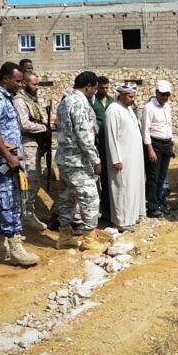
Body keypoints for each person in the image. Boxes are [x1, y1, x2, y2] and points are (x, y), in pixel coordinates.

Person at [0, 62, 40, 267]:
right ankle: (15, 247)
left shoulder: (6, 98)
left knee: (5, 200)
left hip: (9, 159)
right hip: (2, 162)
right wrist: (7, 156)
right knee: (8, 200)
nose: (20, 84)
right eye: (17, 80)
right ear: (5, 79)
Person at [55, 71, 104, 251]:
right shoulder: (79, 103)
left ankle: (64, 236)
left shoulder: (65, 101)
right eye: (95, 89)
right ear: (89, 86)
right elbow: (84, 136)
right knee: (90, 197)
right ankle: (89, 239)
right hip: (78, 160)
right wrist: (95, 159)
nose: (95, 92)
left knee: (67, 198)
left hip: (64, 159)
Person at [104, 82, 145, 230]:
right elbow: (111, 136)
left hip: (134, 158)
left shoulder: (128, 109)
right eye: (130, 96)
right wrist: (116, 159)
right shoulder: (113, 110)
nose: (133, 99)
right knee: (122, 188)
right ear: (121, 95)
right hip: (122, 159)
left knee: (133, 186)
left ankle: (133, 216)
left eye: (134, 96)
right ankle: (120, 221)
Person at [12, 71, 49, 232]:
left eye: (38, 84)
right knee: (30, 181)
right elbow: (24, 124)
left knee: (34, 180)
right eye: (34, 84)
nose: (37, 87)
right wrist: (44, 128)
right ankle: (26, 215)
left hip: (36, 144)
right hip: (27, 144)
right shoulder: (20, 101)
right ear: (25, 83)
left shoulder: (32, 99)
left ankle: (27, 213)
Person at [141, 80, 174, 218]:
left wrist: (172, 144)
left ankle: (159, 201)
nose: (165, 98)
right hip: (155, 145)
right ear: (156, 93)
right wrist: (150, 149)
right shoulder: (149, 108)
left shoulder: (167, 106)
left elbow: (168, 125)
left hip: (166, 144)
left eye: (167, 95)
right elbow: (145, 130)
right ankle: (152, 207)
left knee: (162, 176)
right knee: (153, 177)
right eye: (163, 95)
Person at [90, 76, 114, 223]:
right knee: (95, 179)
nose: (104, 90)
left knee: (108, 179)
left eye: (107, 88)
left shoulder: (112, 102)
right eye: (102, 88)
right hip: (95, 144)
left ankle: (108, 211)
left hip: (109, 145)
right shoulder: (92, 101)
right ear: (97, 87)